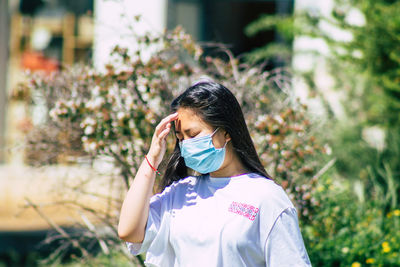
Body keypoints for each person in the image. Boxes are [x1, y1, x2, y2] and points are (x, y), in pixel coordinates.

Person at [118, 81, 312, 266]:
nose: (186, 144)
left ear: (226, 132)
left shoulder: (266, 198)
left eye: (193, 135)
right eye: (180, 138)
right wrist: (152, 158)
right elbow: (129, 230)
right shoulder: (181, 194)